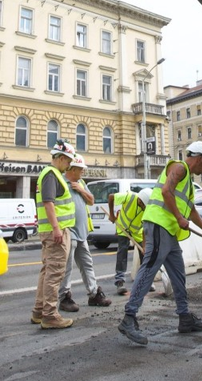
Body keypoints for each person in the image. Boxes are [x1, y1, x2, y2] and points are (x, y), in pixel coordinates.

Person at [118, 141, 202, 346]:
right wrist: (179, 218)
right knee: (149, 269)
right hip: (158, 224)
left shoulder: (189, 182)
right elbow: (166, 191)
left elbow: (191, 210)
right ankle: (129, 318)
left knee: (178, 273)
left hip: (169, 231)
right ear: (199, 159)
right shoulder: (179, 167)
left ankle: (184, 318)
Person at [31, 141, 78, 329]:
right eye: (68, 161)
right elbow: (48, 203)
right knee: (55, 272)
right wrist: (57, 228)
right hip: (55, 232)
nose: (69, 165)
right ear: (60, 158)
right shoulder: (51, 175)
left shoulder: (51, 174)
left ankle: (39, 311)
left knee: (47, 271)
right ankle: (50, 315)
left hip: (49, 231)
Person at [58, 154, 111, 311]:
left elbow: (91, 200)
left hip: (81, 232)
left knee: (87, 263)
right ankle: (64, 297)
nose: (83, 172)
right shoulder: (61, 182)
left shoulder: (80, 183)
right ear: (72, 169)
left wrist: (81, 189)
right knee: (67, 267)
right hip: (68, 231)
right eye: (81, 169)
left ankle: (94, 294)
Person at [109, 188, 152, 296]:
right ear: (140, 200)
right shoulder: (130, 197)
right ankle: (120, 282)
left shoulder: (147, 208)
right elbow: (111, 197)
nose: (144, 207)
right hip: (123, 228)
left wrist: (144, 245)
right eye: (143, 205)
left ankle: (145, 281)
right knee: (122, 252)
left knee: (145, 254)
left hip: (137, 231)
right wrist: (112, 215)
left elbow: (145, 227)